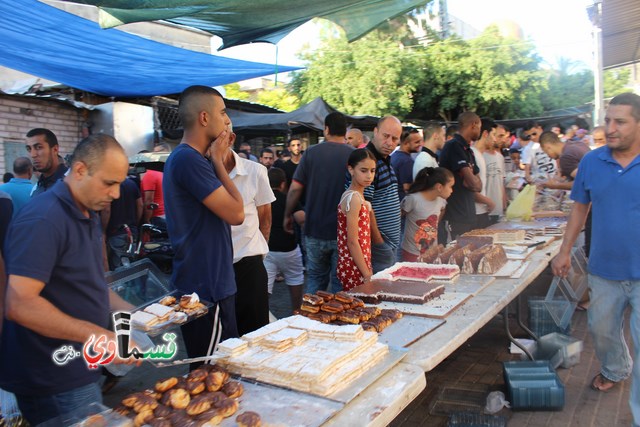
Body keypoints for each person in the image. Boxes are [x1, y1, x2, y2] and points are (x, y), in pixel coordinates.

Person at [0, 134, 138, 426]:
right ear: (79, 171)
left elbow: (85, 282)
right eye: (109, 183)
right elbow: (20, 304)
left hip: (81, 364)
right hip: (52, 375)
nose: (116, 194)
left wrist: (134, 316)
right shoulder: (45, 219)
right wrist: (96, 335)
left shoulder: (85, 211)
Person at [551, 93, 640, 425]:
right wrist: (564, 251)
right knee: (601, 330)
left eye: (620, 121)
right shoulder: (592, 161)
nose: (610, 128)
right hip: (603, 269)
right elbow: (579, 208)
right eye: (608, 120)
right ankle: (616, 367)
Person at [163, 85, 244, 369]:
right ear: (204, 118)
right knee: (213, 373)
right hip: (206, 287)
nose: (226, 120)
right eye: (222, 112)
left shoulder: (193, 159)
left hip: (208, 282)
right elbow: (236, 213)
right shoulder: (188, 159)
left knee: (216, 373)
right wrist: (218, 163)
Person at [285, 112, 353, 294]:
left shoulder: (311, 153)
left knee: (315, 281)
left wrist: (287, 215)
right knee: (341, 287)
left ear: (327, 129)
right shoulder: (354, 156)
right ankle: (342, 321)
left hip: (314, 230)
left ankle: (310, 321)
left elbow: (295, 188)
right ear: (345, 131)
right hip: (345, 233)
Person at [223, 133, 275, 336]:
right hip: (216, 268)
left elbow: (266, 219)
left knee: (254, 335)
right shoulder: (203, 173)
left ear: (230, 139)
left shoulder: (255, 171)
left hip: (248, 264)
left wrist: (260, 255)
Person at [358, 116, 403, 273]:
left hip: (387, 246)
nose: (390, 142)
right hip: (377, 248)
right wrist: (379, 243)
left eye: (395, 138)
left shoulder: (384, 161)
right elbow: (362, 209)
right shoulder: (367, 163)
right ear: (375, 132)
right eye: (386, 136)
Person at [264, 168, 305, 311]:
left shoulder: (262, 200)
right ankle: (297, 312)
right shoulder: (288, 199)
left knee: (265, 288)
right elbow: (301, 218)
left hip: (267, 249)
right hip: (289, 249)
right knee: (295, 279)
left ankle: (262, 316)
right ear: (283, 184)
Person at [439, 112, 482, 240]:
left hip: (469, 213)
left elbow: (478, 185)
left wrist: (472, 181)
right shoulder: (453, 146)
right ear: (473, 125)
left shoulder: (469, 150)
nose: (480, 131)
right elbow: (473, 183)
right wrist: (472, 181)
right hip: (455, 215)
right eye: (480, 127)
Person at [337, 149, 376, 290]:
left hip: (357, 263)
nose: (369, 176)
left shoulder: (356, 196)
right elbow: (352, 241)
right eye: (364, 170)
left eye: (372, 171)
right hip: (354, 267)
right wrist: (366, 273)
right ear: (351, 169)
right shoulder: (353, 198)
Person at [401, 167, 454, 262]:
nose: (452, 190)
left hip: (431, 252)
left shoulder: (441, 200)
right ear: (439, 187)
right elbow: (398, 216)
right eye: (450, 186)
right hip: (412, 253)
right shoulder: (413, 199)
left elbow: (442, 209)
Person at [101, 177, 143, 270]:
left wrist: (103, 230)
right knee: (131, 265)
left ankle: (125, 284)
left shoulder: (109, 185)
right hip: (132, 231)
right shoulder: (131, 184)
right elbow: (140, 205)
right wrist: (136, 223)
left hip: (116, 232)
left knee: (120, 268)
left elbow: (106, 210)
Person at [25, 128, 68, 197]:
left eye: (39, 147)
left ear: (55, 149)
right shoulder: (36, 188)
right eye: (29, 149)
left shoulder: (72, 183)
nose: (33, 155)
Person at [471, 118, 497, 229]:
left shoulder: (479, 155)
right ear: (485, 133)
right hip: (475, 214)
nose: (495, 139)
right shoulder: (473, 155)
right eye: (494, 134)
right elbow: (470, 189)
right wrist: (489, 202)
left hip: (482, 211)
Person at [483, 125, 508, 224]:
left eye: (504, 136)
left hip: (499, 211)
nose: (503, 140)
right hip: (486, 210)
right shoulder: (480, 156)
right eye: (499, 136)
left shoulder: (500, 157)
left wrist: (504, 206)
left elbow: (501, 182)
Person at [391, 128, 421, 202]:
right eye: (417, 142)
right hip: (402, 202)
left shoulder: (394, 155)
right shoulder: (406, 161)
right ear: (406, 143)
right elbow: (407, 187)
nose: (420, 144)